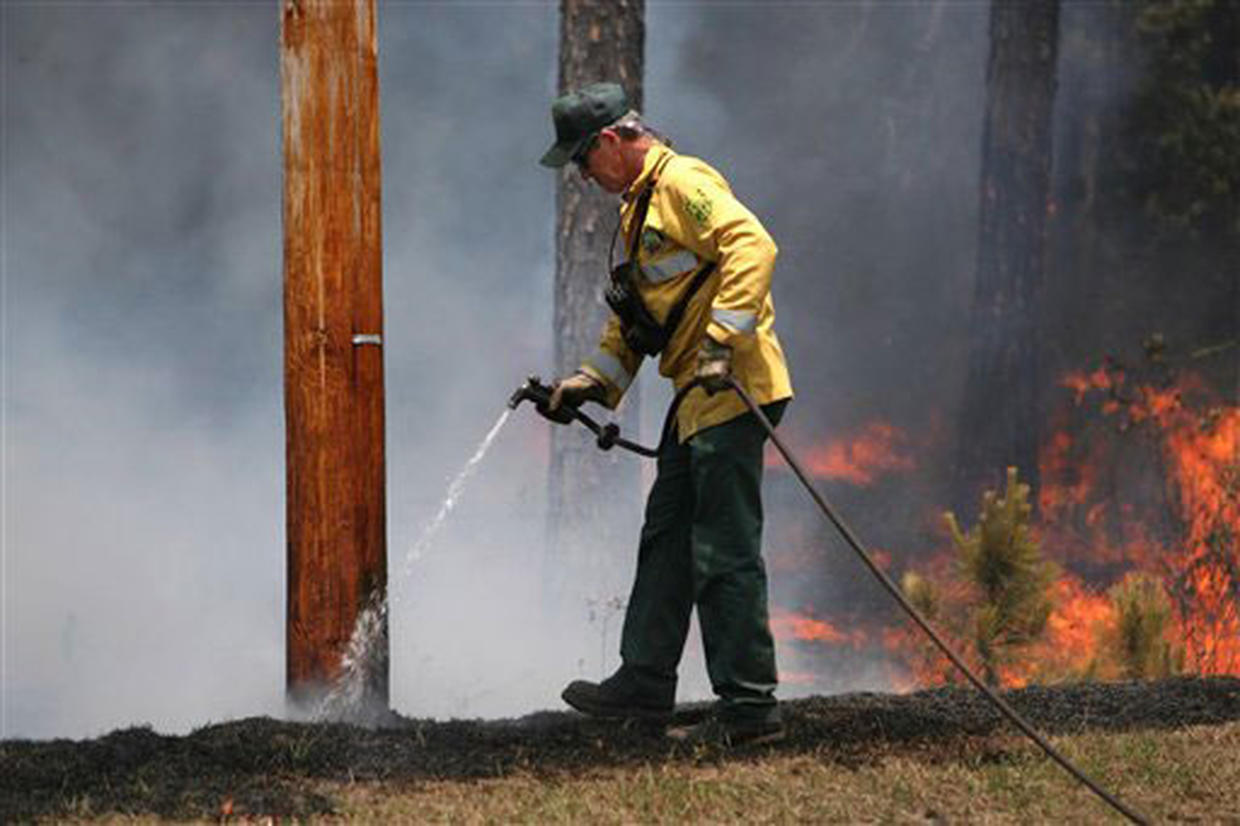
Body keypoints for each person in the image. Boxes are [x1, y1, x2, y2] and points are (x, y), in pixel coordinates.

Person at [539, 82, 794, 746]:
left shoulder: (682, 181)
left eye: (580, 160)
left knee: (722, 548)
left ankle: (748, 709)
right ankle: (645, 684)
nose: (581, 175)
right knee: (667, 540)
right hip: (697, 397)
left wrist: (719, 342)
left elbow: (753, 247)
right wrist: (590, 383)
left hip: (731, 387)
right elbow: (640, 319)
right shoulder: (638, 210)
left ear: (609, 142)